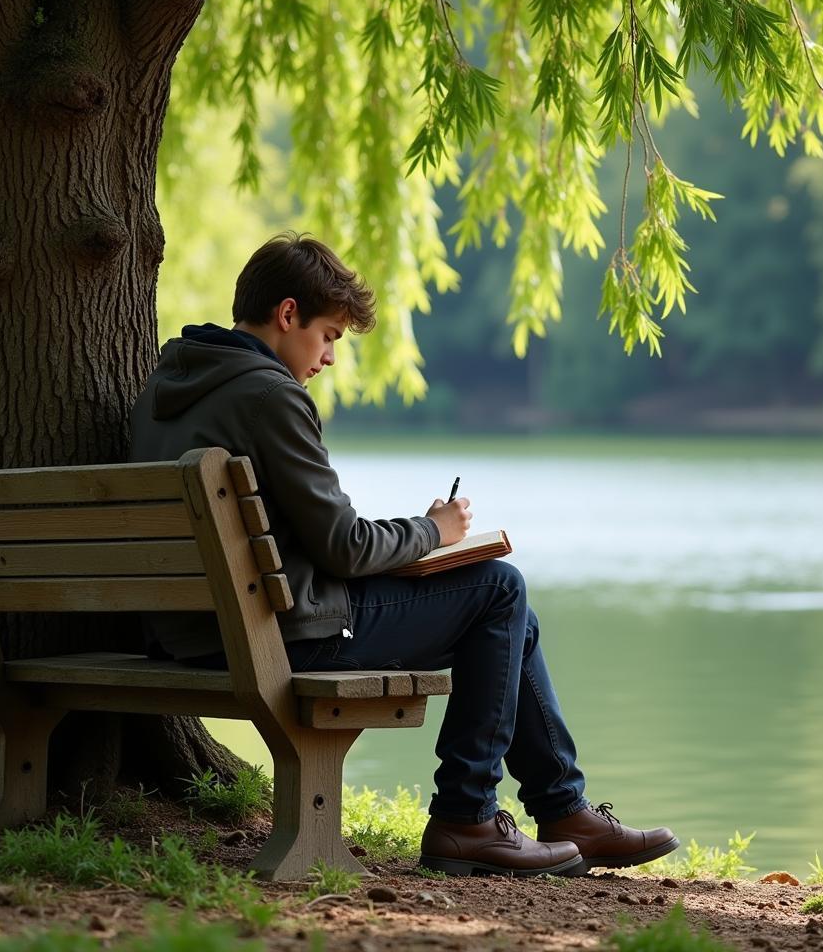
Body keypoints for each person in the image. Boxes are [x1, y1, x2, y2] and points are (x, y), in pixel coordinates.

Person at [130, 231, 679, 877]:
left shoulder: (168, 385)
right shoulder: (269, 395)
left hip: (189, 632)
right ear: (286, 315)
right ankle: (467, 818)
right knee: (499, 588)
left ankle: (561, 810)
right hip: (272, 637)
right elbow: (343, 545)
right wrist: (434, 530)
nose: (330, 356)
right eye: (329, 334)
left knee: (509, 621)